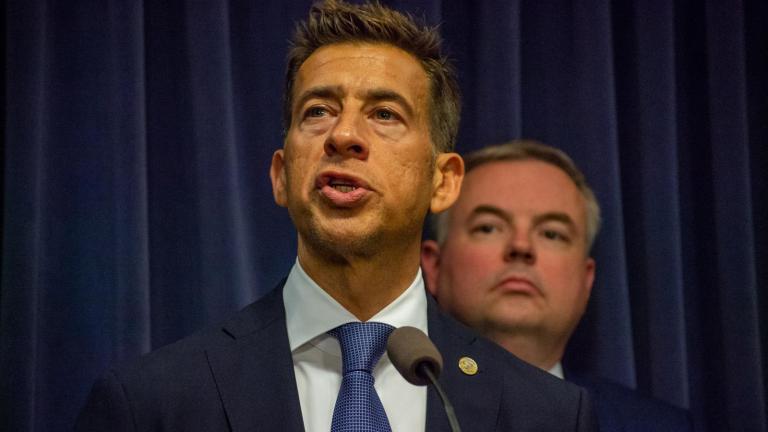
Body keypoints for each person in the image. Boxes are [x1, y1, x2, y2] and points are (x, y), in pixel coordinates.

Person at [76, 3, 596, 431]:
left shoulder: (547, 416)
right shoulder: (150, 405)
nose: (342, 136)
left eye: (384, 114)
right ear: (281, 176)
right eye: (318, 111)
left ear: (443, 181)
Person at [421, 140, 693, 432]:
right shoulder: (379, 406)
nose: (521, 246)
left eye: (552, 234)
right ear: (434, 265)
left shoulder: (659, 426)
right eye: (488, 227)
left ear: (586, 280)